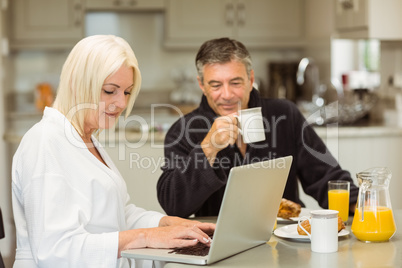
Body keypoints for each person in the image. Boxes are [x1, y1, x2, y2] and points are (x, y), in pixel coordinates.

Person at [11, 35, 215, 268]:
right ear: (76, 84)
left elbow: (116, 213)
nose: (121, 103)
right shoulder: (44, 143)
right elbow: (55, 251)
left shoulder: (85, 139)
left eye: (126, 92)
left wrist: (165, 224)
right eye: (110, 91)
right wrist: (145, 236)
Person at [157, 37, 359, 218]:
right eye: (216, 85)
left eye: (235, 83)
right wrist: (207, 149)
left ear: (251, 80)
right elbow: (174, 205)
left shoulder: (284, 114)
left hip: (282, 239)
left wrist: (361, 204)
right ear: (202, 85)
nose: (227, 95)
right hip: (216, 244)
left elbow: (326, 175)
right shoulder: (182, 131)